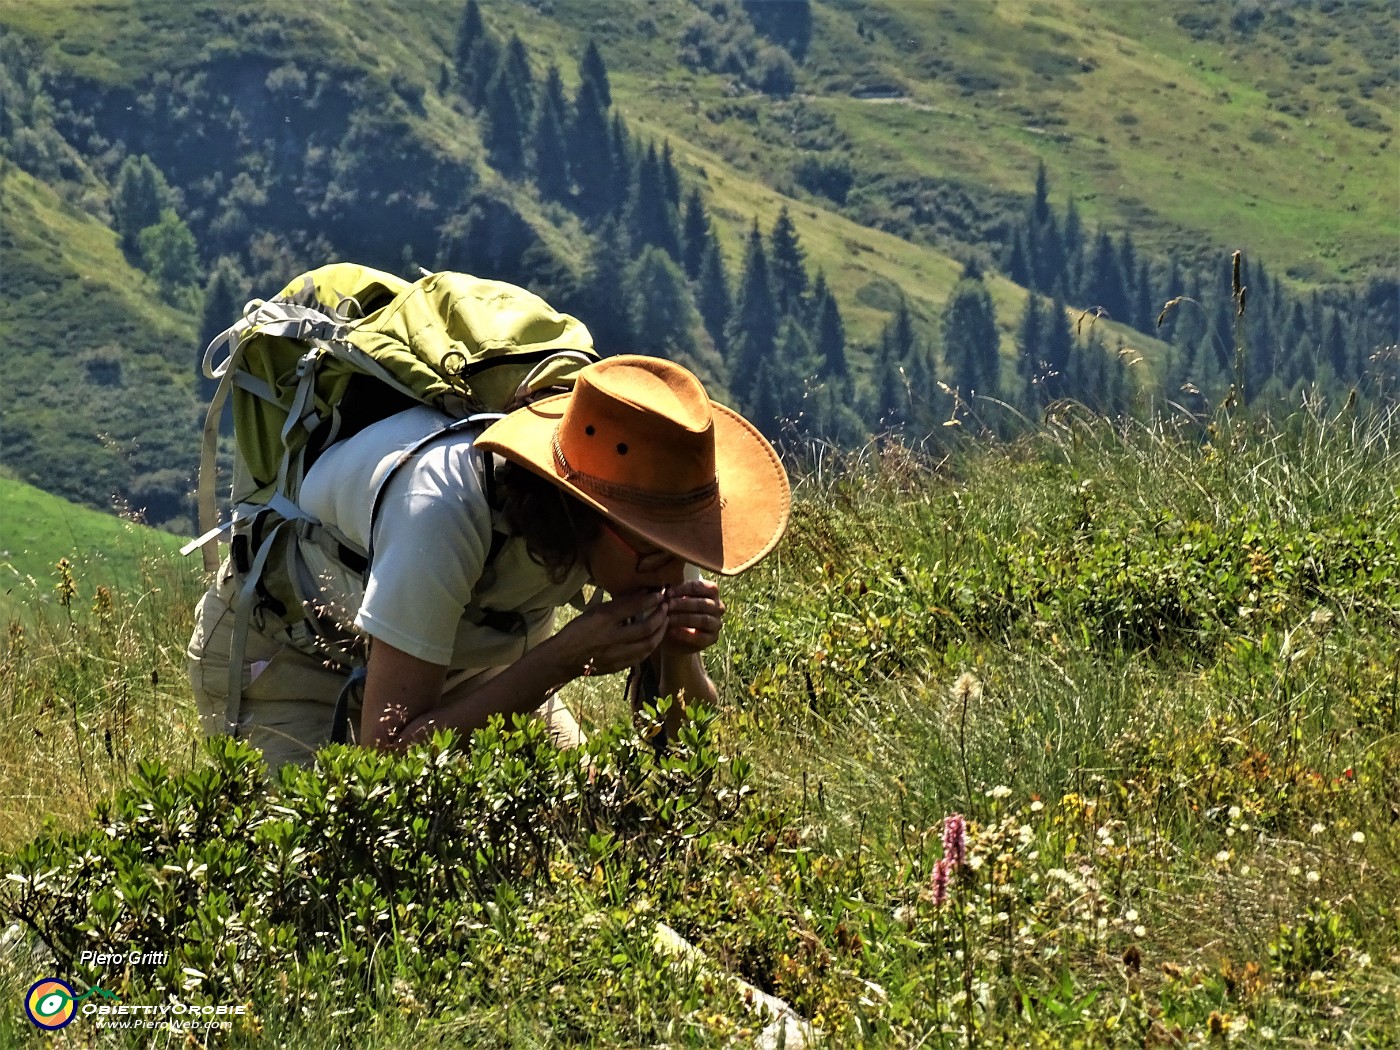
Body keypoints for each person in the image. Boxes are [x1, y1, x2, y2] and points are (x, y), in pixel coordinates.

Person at [186, 354, 790, 771]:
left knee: (596, 822)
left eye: (684, 552)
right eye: (660, 552)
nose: (672, 574)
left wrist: (679, 661)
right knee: (343, 882)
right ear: (584, 512)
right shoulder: (441, 511)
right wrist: (566, 656)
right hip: (294, 667)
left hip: (474, 669)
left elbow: (682, 758)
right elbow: (387, 759)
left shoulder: (645, 518)